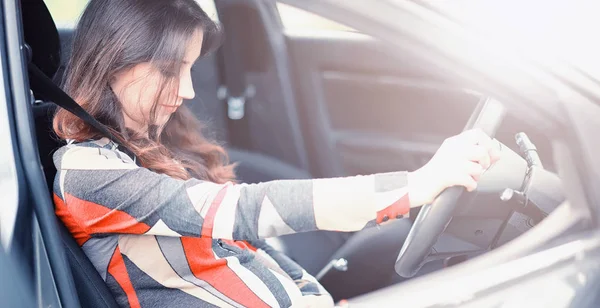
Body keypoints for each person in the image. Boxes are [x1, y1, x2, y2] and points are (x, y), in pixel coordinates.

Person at [52, 0, 500, 307]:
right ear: (115, 60)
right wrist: (415, 185)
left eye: (190, 70)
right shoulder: (90, 174)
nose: (186, 91)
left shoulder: (139, 149)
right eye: (171, 70)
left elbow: (246, 250)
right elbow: (250, 210)